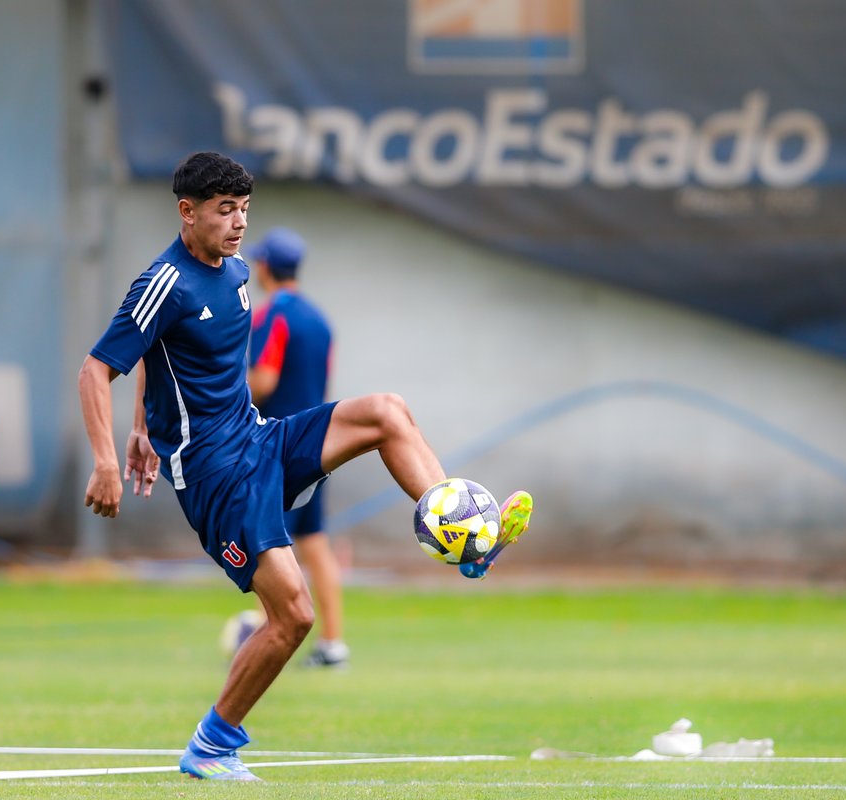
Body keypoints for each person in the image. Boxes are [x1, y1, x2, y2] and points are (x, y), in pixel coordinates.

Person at [77, 151, 531, 782]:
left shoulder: (235, 270)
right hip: (216, 475)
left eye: (243, 210)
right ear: (187, 211)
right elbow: (98, 366)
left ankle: (464, 538)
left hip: (258, 439)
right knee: (294, 616)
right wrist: (110, 452)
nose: (238, 224)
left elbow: (159, 355)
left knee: (387, 412)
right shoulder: (164, 282)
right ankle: (211, 745)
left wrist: (141, 428)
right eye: (223, 210)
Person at [246, 227, 347, 669]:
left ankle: (266, 637)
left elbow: (264, 381)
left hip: (277, 447)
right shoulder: (322, 320)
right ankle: (333, 644)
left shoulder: (272, 316)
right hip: (317, 444)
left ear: (265, 267)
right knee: (314, 543)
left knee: (266, 543)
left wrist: (221, 401)